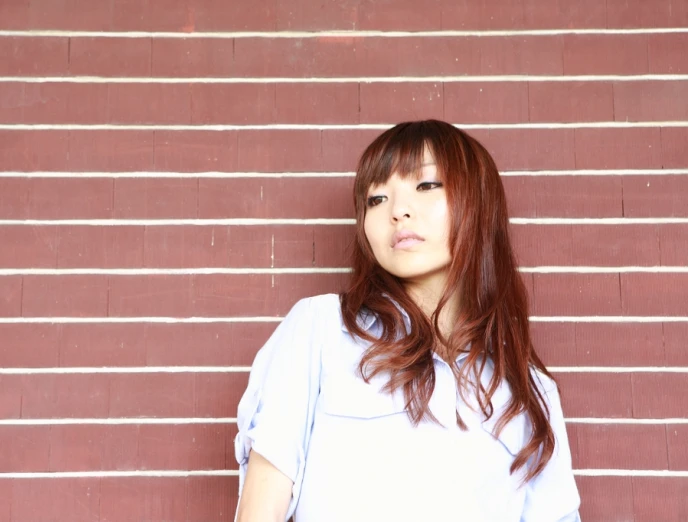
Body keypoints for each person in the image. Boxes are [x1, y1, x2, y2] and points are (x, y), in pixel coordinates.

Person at [232, 120, 581, 522]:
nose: (398, 211)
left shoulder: (528, 388)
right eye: (376, 199)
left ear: (478, 201)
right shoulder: (320, 329)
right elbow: (261, 508)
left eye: (426, 185)